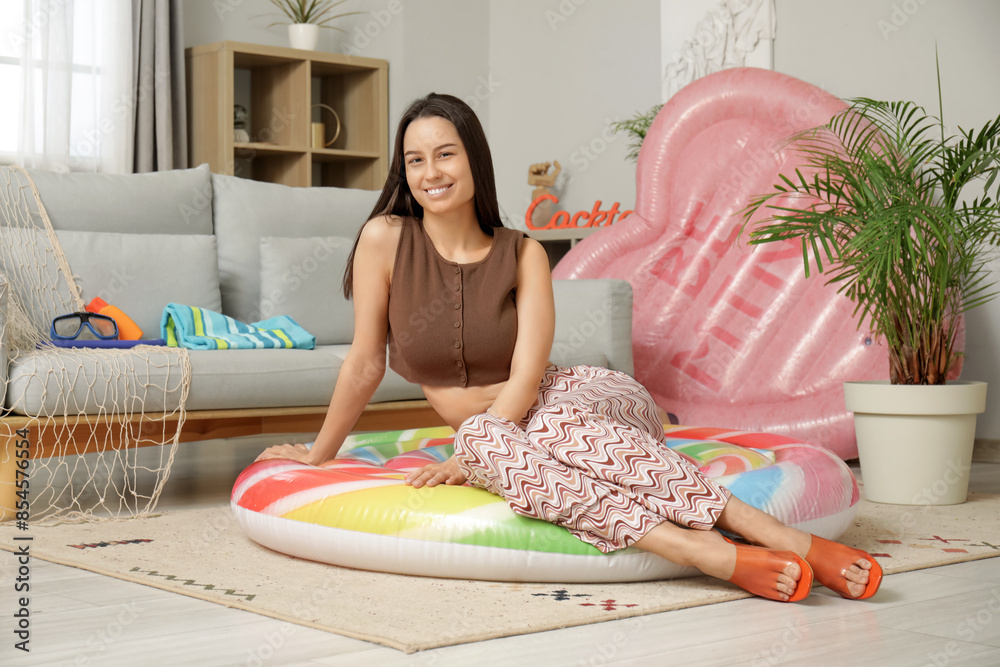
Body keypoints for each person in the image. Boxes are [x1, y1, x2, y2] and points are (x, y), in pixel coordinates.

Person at [257, 92, 882, 602]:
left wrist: (474, 456)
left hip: (591, 399)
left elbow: (527, 386)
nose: (430, 173)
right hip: (522, 434)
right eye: (414, 160)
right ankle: (711, 549)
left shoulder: (524, 252)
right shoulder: (385, 239)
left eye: (445, 154)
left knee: (494, 432)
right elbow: (366, 361)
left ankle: (765, 533)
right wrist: (319, 453)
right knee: (490, 435)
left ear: (475, 160)